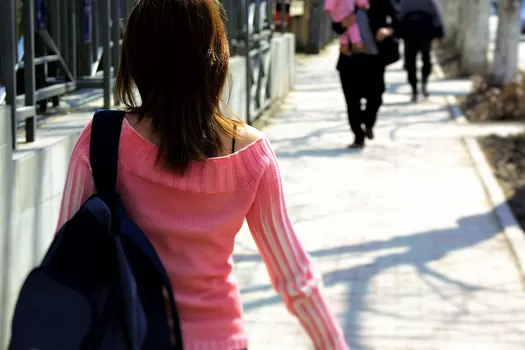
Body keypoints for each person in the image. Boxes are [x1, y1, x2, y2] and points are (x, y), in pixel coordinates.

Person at [56, 0, 349, 349]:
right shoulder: (251, 154)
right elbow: (295, 278)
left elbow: (65, 263)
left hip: (126, 336)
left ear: (136, 56)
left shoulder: (102, 139)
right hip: (220, 339)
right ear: (216, 56)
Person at [332, 0, 400, 148]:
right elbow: (335, 25)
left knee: (376, 97)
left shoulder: (382, 3)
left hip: (374, 59)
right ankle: (358, 135)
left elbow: (398, 19)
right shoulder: (345, 2)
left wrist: (387, 30)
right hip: (350, 60)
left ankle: (368, 122)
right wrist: (343, 24)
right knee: (352, 100)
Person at [397, 0, 445, 102]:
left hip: (417, 35)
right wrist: (440, 35)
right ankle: (418, 86)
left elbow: (399, 16)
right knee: (417, 62)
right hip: (418, 35)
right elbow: (437, 15)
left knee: (415, 62)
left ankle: (420, 85)